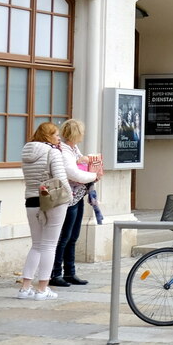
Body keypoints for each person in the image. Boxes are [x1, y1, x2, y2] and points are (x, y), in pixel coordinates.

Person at [17, 123, 71, 301]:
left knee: (37, 245)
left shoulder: (27, 152)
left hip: (31, 199)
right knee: (49, 245)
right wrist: (69, 197)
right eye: (55, 134)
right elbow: (60, 178)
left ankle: (25, 288)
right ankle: (42, 289)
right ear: (48, 136)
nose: (59, 138)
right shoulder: (52, 152)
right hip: (52, 200)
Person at [50, 119, 99, 287]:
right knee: (64, 237)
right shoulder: (64, 150)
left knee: (73, 236)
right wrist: (94, 176)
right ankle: (55, 273)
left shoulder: (73, 148)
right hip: (68, 198)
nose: (83, 135)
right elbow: (73, 174)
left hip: (77, 196)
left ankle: (70, 272)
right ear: (75, 134)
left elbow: (78, 166)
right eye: (81, 132)